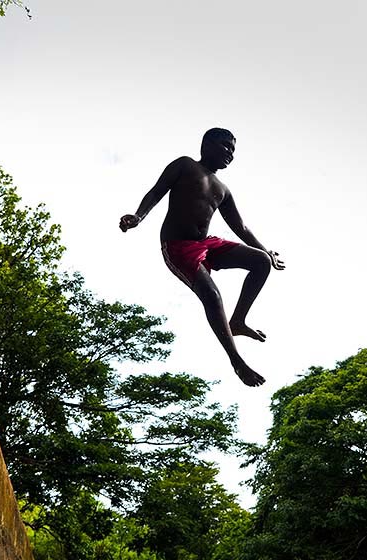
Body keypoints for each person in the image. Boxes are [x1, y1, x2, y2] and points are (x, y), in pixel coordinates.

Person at [119, 128, 284, 387]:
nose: (230, 153)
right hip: (178, 246)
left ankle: (238, 320)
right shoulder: (185, 165)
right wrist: (138, 216)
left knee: (261, 261)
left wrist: (267, 250)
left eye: (233, 150)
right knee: (212, 296)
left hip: (205, 243)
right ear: (206, 145)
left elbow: (240, 227)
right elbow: (156, 191)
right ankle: (236, 360)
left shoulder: (223, 189)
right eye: (225, 146)